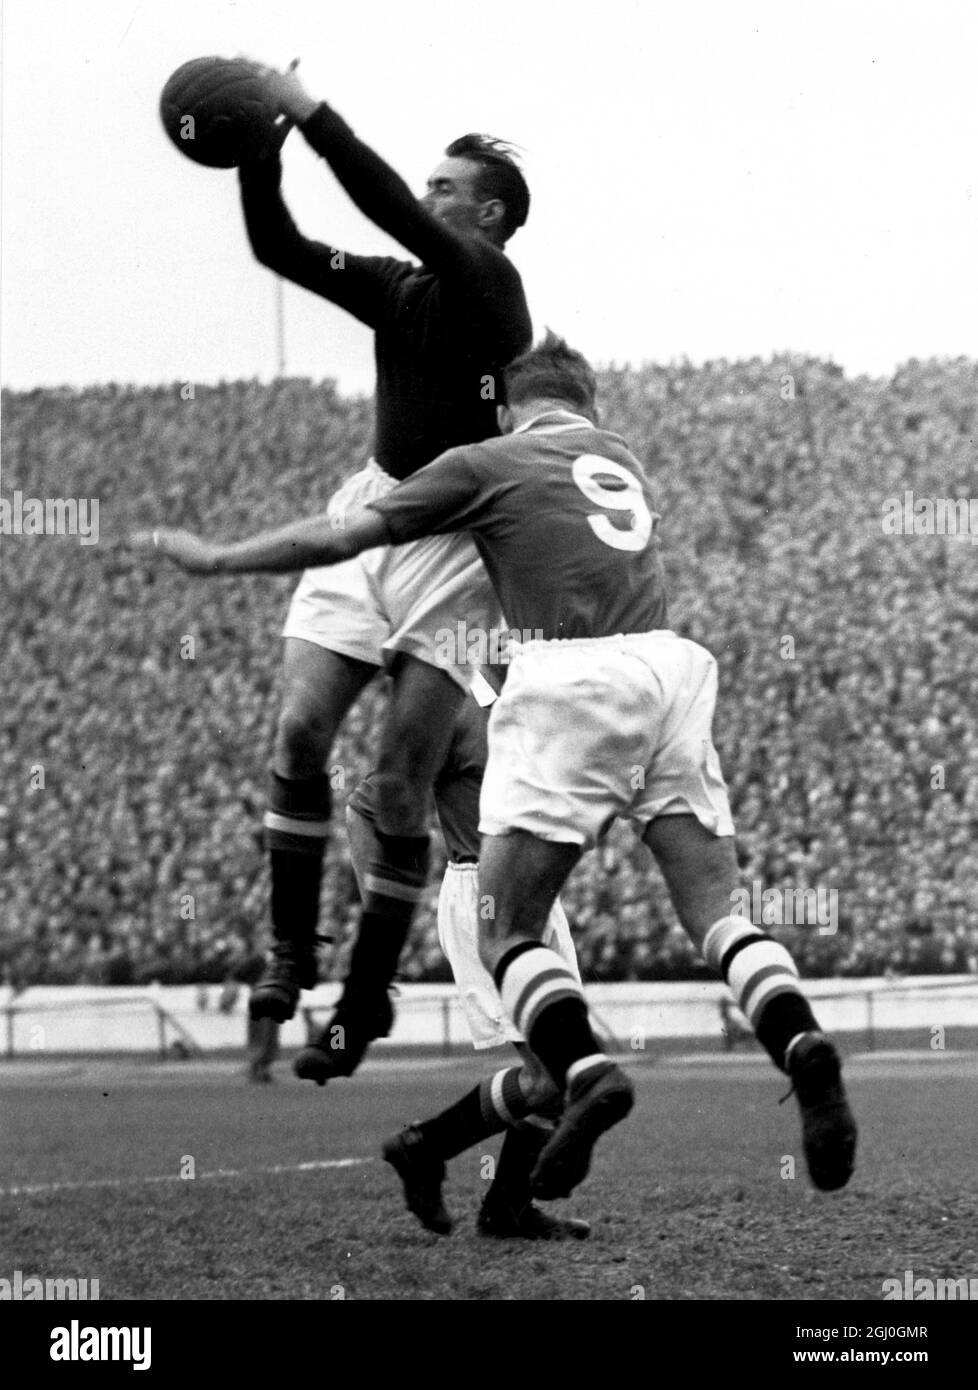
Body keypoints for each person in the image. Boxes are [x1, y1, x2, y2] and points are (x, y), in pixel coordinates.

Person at [131, 332, 858, 1200]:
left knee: (507, 928)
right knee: (717, 916)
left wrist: (216, 559)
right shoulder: (619, 457)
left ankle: (589, 1073)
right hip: (672, 669)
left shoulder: (488, 459)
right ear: (587, 402)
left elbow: (341, 538)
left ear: (509, 405)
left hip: (572, 674)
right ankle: (802, 1043)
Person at [227, 62, 533, 1080]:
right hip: (371, 508)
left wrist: (314, 118)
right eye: (431, 183)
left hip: (454, 543)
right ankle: (287, 958)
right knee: (301, 730)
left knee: (400, 783)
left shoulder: (495, 291)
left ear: (489, 215)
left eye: (449, 188)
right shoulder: (399, 289)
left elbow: (392, 207)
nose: (431, 193)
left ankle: (362, 1004)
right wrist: (257, 153)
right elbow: (277, 246)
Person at [348, 699, 590, 1240]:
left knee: (567, 1074)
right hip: (486, 898)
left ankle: (501, 1204)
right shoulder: (455, 711)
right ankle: (429, 1151)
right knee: (552, 1074)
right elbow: (364, 809)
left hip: (539, 896)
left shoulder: (541, 701)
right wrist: (380, 921)